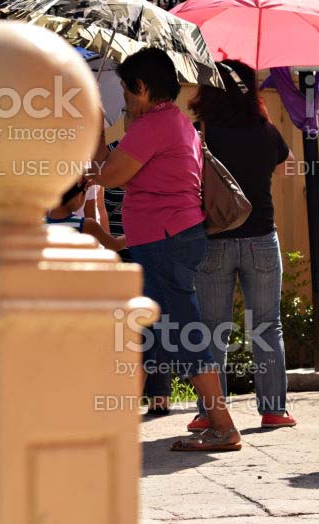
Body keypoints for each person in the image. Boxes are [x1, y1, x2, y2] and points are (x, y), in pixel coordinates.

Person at [91, 47, 241, 452]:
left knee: (184, 333)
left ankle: (223, 426)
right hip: (169, 237)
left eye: (124, 89)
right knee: (148, 334)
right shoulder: (172, 121)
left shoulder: (152, 125)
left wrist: (96, 138)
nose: (122, 97)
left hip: (164, 241)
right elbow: (112, 168)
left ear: (141, 87)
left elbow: (109, 176)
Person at [188, 59, 297, 430]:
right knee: (267, 326)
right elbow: (288, 166)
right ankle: (273, 410)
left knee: (212, 328)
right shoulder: (267, 131)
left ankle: (209, 414)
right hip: (262, 239)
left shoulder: (201, 132)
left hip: (214, 239)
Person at [46, 180, 127, 252]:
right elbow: (115, 245)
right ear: (79, 197)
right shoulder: (86, 225)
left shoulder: (38, 224)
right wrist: (136, 232)